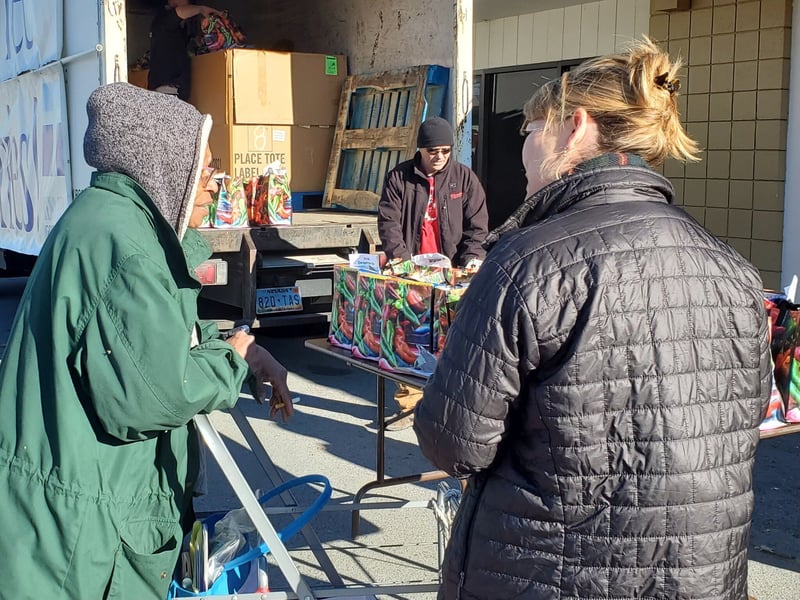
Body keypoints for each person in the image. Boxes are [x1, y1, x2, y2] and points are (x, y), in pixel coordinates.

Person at [414, 39, 771, 600]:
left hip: (546, 575)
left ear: (575, 128)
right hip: (701, 576)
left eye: (531, 130)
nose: (526, 146)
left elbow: (452, 442)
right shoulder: (736, 273)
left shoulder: (525, 265)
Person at [0, 82, 293, 599]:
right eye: (204, 172)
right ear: (163, 164)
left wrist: (240, 352)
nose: (211, 188)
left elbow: (155, 337)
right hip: (82, 522)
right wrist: (232, 359)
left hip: (76, 493)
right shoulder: (125, 243)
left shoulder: (117, 223)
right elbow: (159, 390)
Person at [377, 116, 488, 430]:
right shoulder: (399, 178)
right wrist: (400, 260)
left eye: (445, 151)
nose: (439, 157)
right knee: (411, 337)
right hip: (413, 270)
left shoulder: (464, 179)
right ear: (420, 151)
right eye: (432, 151)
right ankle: (407, 406)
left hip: (451, 270)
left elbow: (477, 226)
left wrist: (473, 257)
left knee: (453, 338)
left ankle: (450, 405)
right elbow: (389, 222)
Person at [148, 0, 221, 100]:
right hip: (167, 91)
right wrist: (201, 9)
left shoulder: (177, 30)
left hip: (171, 92)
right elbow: (179, 12)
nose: (188, 3)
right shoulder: (163, 18)